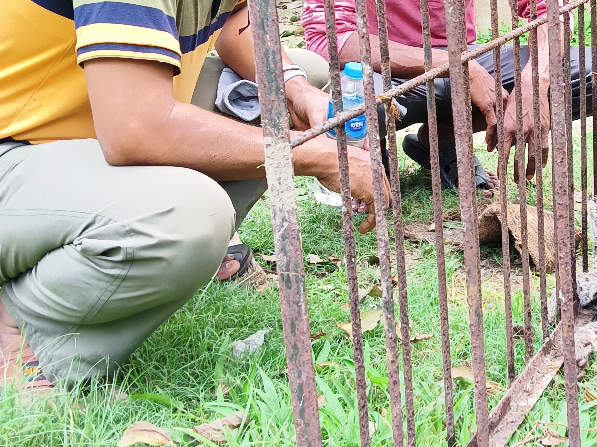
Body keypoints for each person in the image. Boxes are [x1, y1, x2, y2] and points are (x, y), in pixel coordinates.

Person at [0, 0, 389, 392]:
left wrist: (296, 90)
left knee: (294, 81)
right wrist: (312, 154)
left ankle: (147, 245)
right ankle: (26, 327)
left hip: (83, 123)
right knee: (193, 218)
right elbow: (135, 128)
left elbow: (235, 19)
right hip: (16, 143)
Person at [301, 0, 597, 191]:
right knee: (346, 104)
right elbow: (327, 35)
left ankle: (441, 136)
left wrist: (534, 80)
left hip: (464, 61)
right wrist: (458, 66)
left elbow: (553, 10)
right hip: (380, 71)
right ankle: (368, 157)